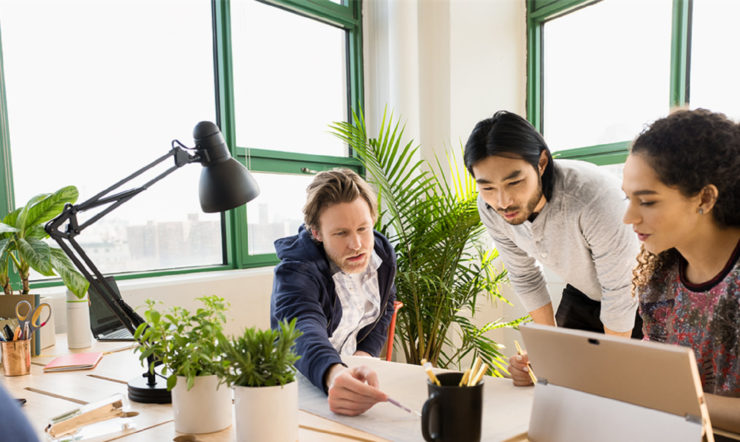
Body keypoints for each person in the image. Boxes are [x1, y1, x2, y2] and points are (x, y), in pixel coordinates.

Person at [464, 110, 641, 386]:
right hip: (583, 292)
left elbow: (620, 292)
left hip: (641, 299)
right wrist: (546, 360)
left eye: (514, 182)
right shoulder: (490, 206)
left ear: (542, 162)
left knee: (625, 388)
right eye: (487, 187)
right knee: (559, 383)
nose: (503, 201)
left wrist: (611, 371)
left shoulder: (592, 197)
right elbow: (524, 275)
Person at [623, 108, 739, 434]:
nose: (628, 217)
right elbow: (654, 373)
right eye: (628, 199)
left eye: (646, 202)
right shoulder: (659, 279)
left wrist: (676, 400)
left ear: (704, 197)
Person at [270, 168, 397, 416]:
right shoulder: (296, 270)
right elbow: (301, 329)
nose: (357, 244)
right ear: (316, 233)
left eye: (363, 228)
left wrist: (365, 355)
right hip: (300, 388)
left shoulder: (381, 254)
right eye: (341, 233)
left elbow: (386, 302)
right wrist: (334, 373)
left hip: (348, 375)